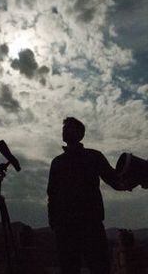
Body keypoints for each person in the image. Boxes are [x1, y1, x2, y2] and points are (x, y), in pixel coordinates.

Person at [47, 117, 126, 274]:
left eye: (69, 127)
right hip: (65, 227)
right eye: (64, 128)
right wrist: (54, 222)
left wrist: (135, 176)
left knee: (99, 267)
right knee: (69, 268)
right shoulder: (57, 162)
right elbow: (52, 194)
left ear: (80, 133)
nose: (65, 130)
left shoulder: (93, 156)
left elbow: (114, 180)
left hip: (91, 224)